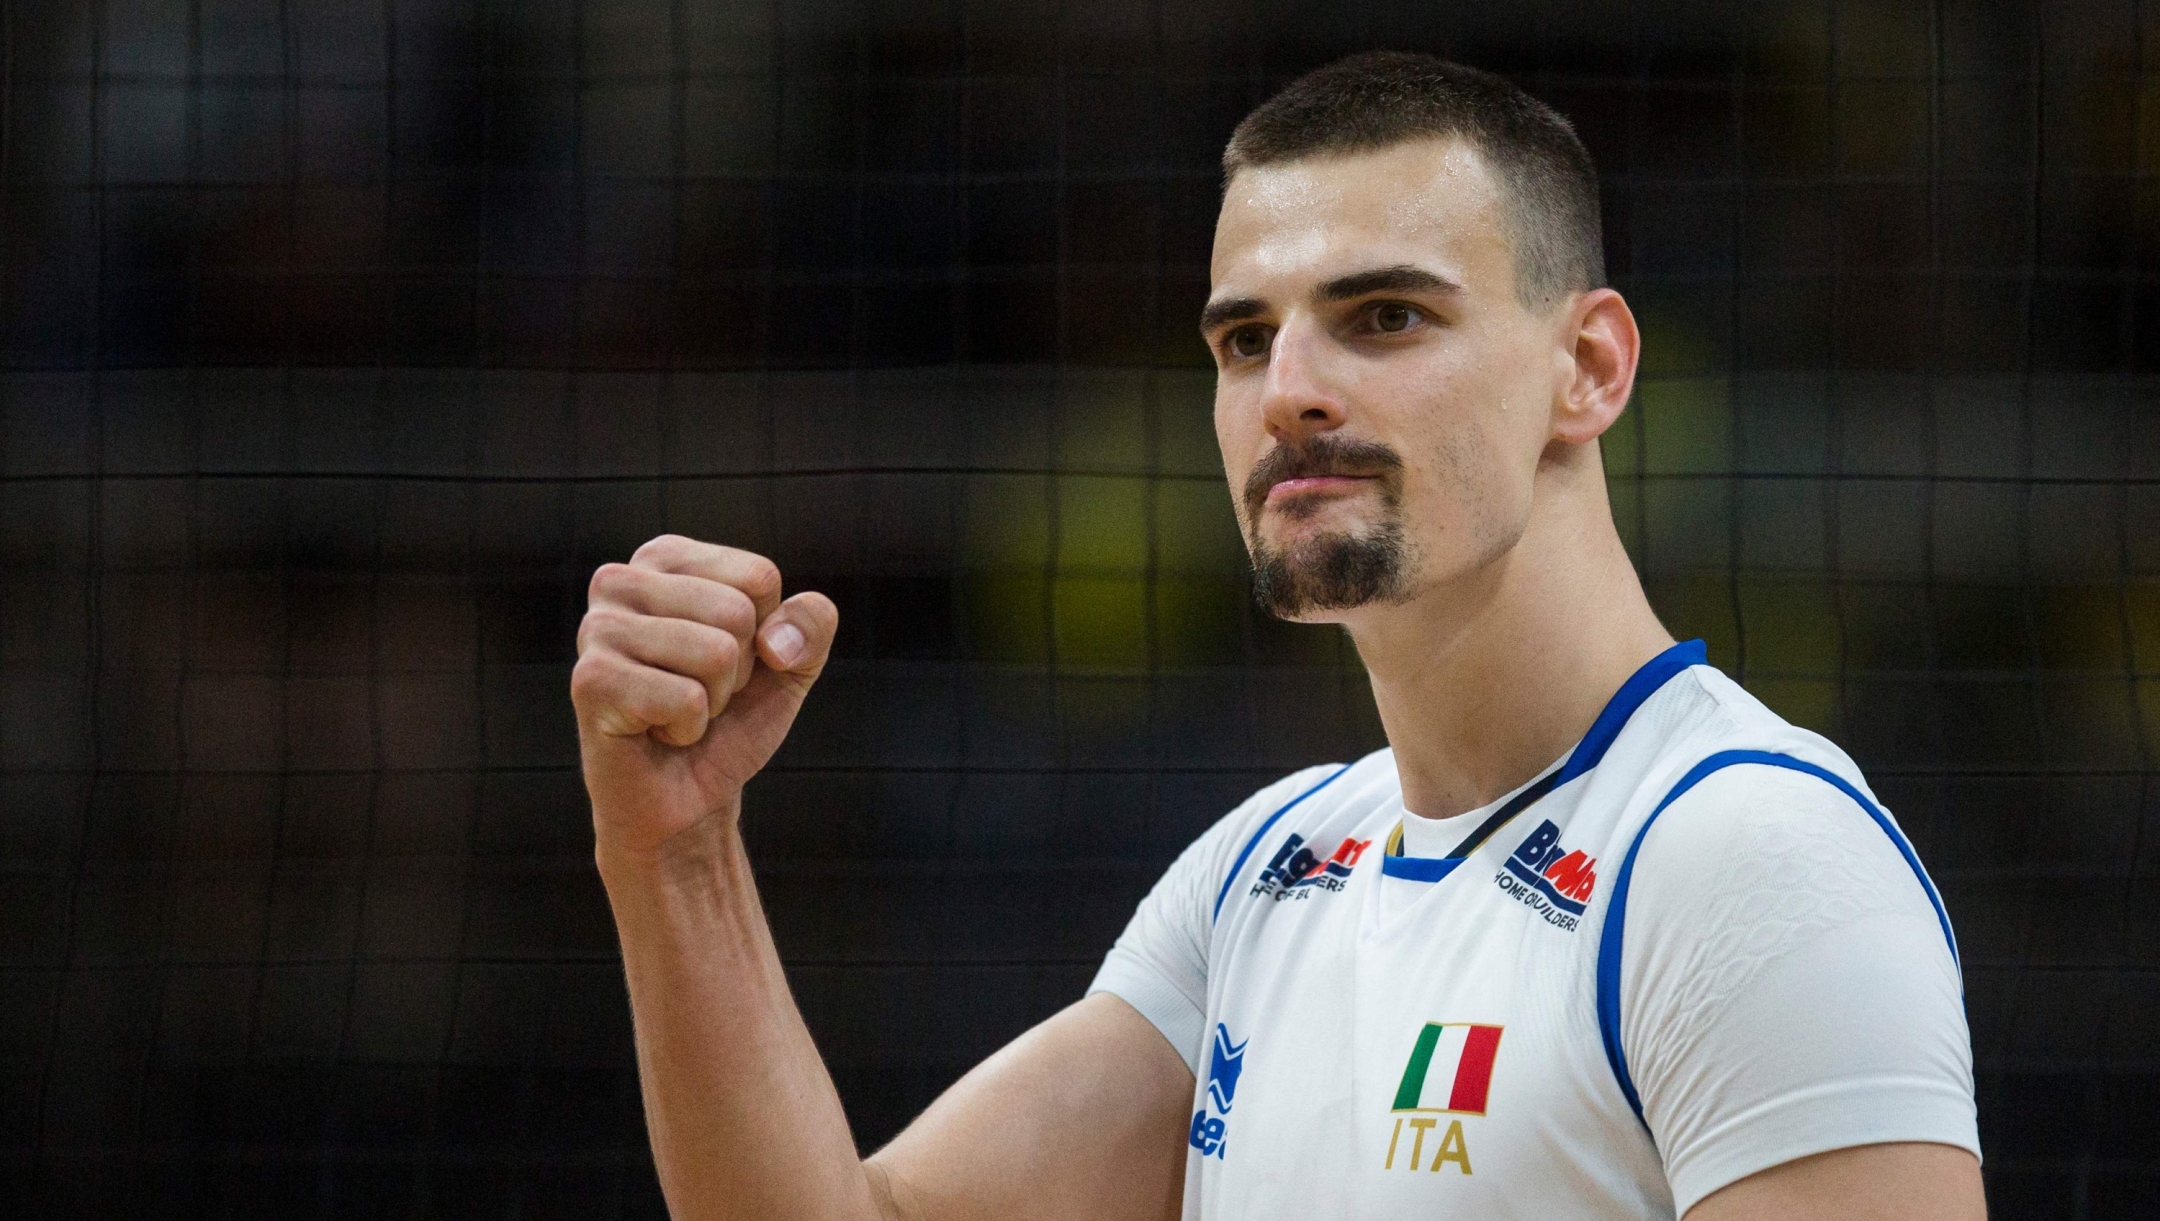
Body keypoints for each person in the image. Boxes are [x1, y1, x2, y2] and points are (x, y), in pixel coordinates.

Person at [568, 52, 1983, 1221]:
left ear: (1589, 366)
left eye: (1383, 315)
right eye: (1245, 340)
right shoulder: (1271, 871)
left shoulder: (1747, 861)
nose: (1291, 388)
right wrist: (675, 854)